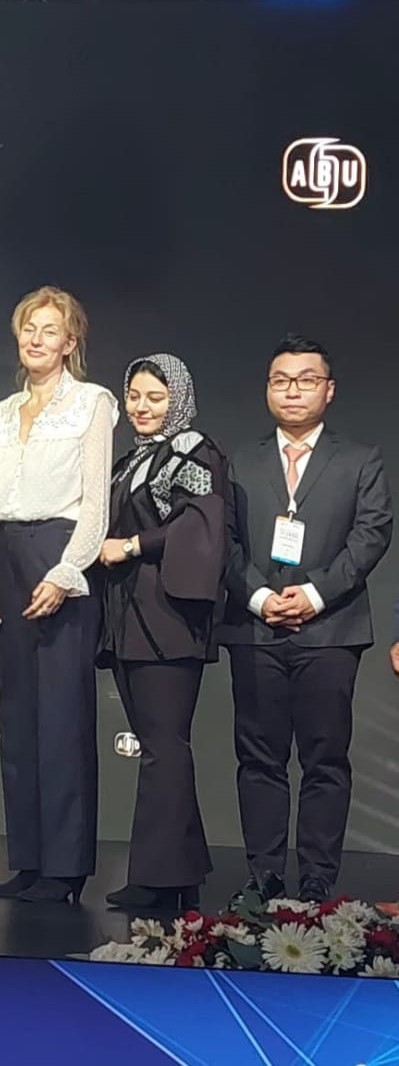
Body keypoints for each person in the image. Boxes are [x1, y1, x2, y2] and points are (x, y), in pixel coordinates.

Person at [219, 334, 391, 904]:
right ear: (268, 389)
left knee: (325, 759)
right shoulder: (239, 461)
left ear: (329, 389)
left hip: (330, 630)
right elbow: (223, 541)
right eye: (281, 380)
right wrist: (259, 598)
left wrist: (313, 596)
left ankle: (318, 878)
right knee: (259, 758)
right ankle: (264, 873)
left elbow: (371, 536)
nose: (293, 391)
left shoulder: (360, 459)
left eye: (306, 379)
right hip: (256, 628)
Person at [0, 285, 114, 905]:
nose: (37, 338)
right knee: (18, 719)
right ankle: (29, 860)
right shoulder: (4, 411)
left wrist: (66, 573)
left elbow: (96, 504)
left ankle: (66, 868)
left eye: (49, 329)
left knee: (61, 719)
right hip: (8, 555)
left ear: (70, 342)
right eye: (28, 327)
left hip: (62, 555)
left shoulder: (92, 403)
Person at [96, 354, 228, 911]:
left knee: (163, 748)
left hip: (169, 618)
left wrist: (132, 546)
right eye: (135, 397)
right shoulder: (131, 460)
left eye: (156, 397)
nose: (142, 407)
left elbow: (200, 522)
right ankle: (180, 873)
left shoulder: (194, 451)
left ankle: (157, 879)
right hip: (129, 618)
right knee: (160, 747)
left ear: (179, 399)